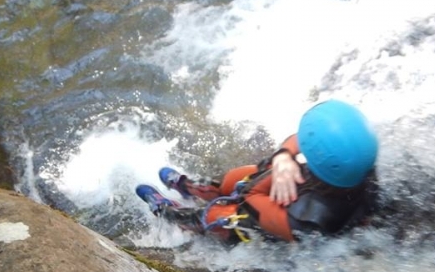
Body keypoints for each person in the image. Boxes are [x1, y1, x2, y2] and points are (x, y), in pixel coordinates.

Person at [136, 99, 379, 243]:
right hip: (310, 192)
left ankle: (174, 214)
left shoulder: (303, 221)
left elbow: (251, 196)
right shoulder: (357, 162)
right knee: (234, 177)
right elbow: (301, 139)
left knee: (219, 216)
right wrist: (284, 157)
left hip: (270, 225)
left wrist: (277, 170)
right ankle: (194, 189)